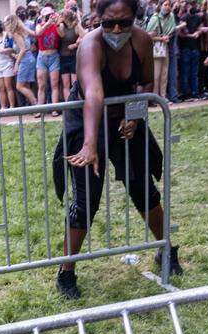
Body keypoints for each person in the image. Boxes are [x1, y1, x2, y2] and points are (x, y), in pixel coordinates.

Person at [55, 0, 179, 300]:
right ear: (99, 18)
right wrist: (89, 144)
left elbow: (145, 84)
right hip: (86, 120)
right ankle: (65, 273)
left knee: (143, 188)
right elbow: (94, 94)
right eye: (108, 22)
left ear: (134, 18)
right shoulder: (90, 45)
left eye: (124, 21)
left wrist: (134, 117)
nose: (116, 29)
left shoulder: (142, 40)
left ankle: (166, 250)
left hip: (125, 119)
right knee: (86, 200)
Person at [146, 1, 176, 98]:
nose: (167, 7)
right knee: (156, 74)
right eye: (165, 5)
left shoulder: (171, 17)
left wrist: (167, 37)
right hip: (155, 48)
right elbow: (148, 36)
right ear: (160, 6)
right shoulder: (155, 18)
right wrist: (160, 38)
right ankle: (155, 97)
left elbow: (172, 30)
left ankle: (163, 96)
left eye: (169, 5)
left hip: (165, 47)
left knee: (164, 73)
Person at [35, 6, 63, 108]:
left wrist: (57, 23)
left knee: (54, 84)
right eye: (47, 16)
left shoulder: (57, 25)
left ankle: (54, 109)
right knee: (41, 85)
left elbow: (62, 34)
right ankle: (40, 109)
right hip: (42, 56)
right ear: (43, 17)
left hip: (54, 56)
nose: (49, 17)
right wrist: (47, 23)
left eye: (50, 15)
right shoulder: (39, 25)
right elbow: (38, 33)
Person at [0, 18, 22, 109]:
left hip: (7, 63)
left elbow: (13, 48)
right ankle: (3, 107)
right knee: (0, 87)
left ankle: (12, 106)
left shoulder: (7, 36)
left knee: (8, 86)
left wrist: (5, 50)